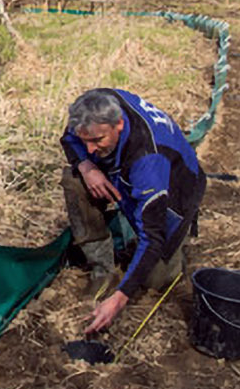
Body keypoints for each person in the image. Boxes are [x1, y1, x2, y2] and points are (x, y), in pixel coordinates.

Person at [59, 88, 206, 334]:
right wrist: (86, 167)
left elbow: (153, 238)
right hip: (128, 170)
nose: (90, 149)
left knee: (156, 280)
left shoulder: (148, 160)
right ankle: (102, 269)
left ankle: (177, 246)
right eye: (85, 141)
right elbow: (69, 138)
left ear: (118, 124)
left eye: (97, 140)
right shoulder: (91, 110)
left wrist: (119, 298)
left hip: (177, 189)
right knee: (75, 181)